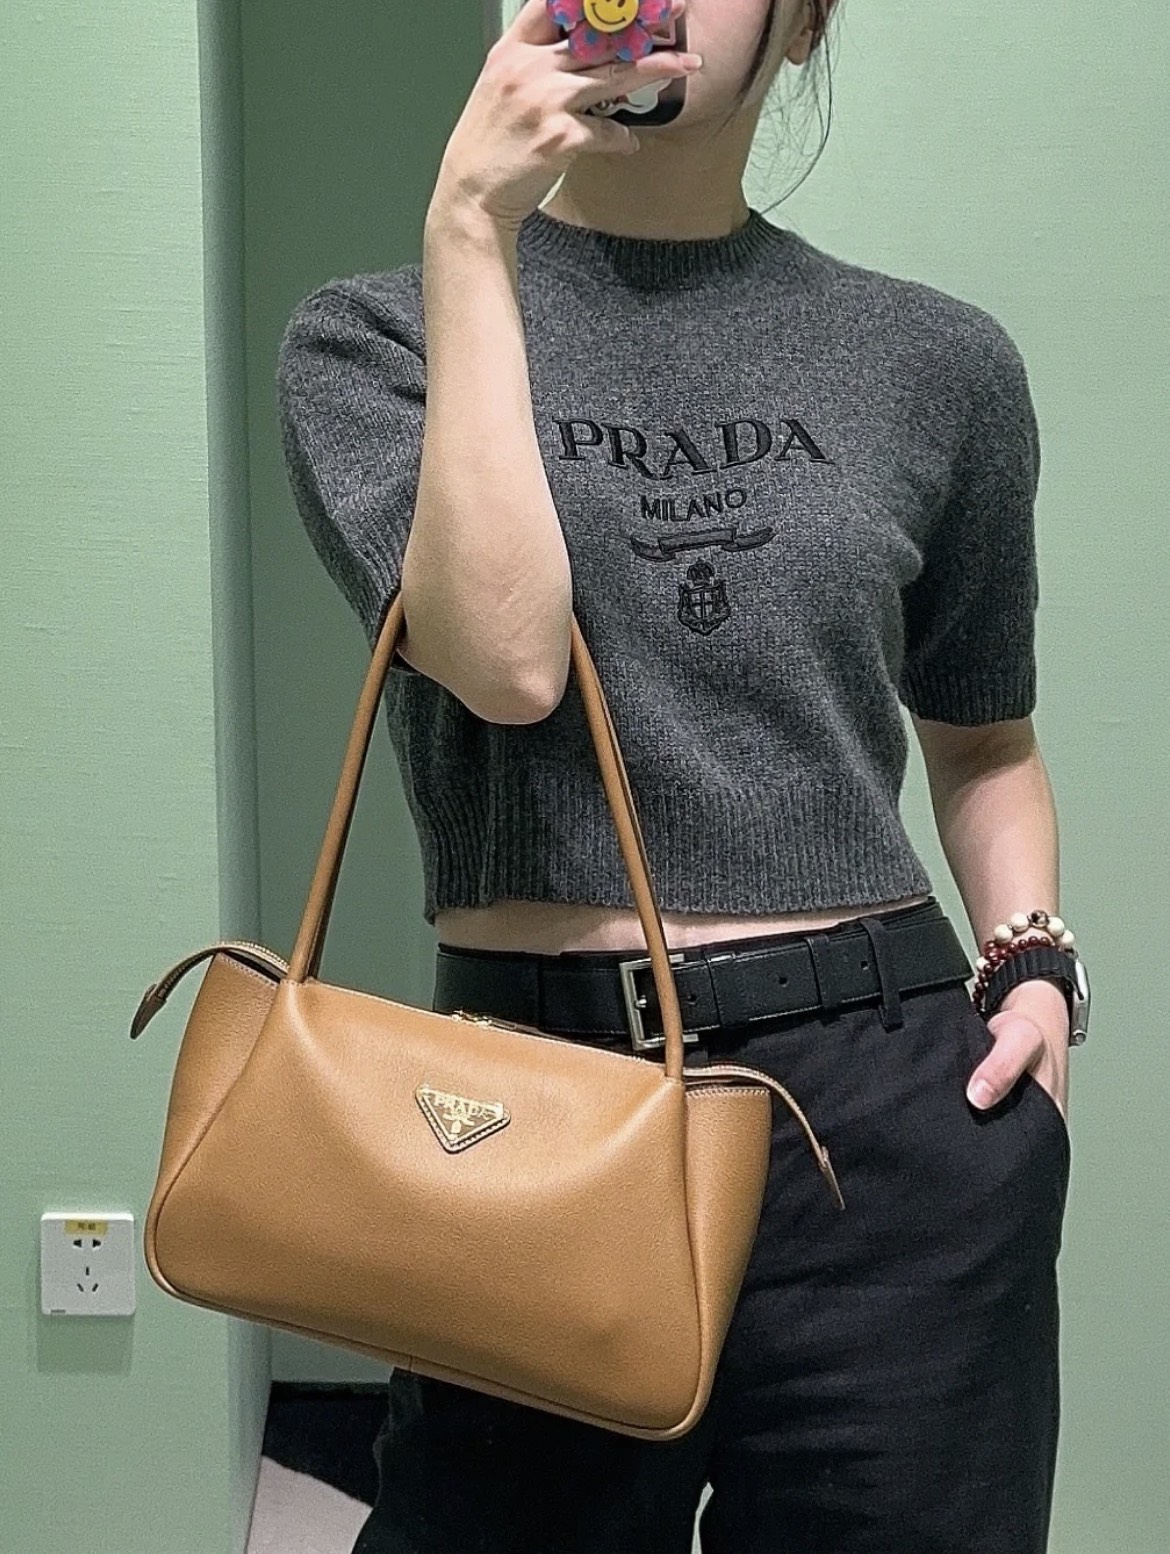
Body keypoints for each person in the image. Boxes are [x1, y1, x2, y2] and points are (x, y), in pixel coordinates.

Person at [275, 2, 1076, 1548]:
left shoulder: (938, 362)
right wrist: (468, 230)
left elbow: (984, 739)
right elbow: (503, 659)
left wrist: (1033, 969)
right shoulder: (371, 338)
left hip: (884, 1118)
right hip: (532, 1106)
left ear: (803, 22)